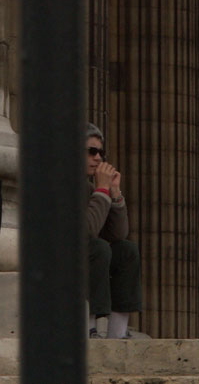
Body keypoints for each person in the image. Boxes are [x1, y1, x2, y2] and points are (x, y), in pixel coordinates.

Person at [85, 123, 142, 339]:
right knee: (97, 247)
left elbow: (118, 234)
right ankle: (89, 327)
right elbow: (87, 231)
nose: (98, 158)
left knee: (126, 250)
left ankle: (117, 333)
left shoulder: (91, 188)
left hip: (83, 256)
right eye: (92, 151)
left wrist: (115, 194)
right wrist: (101, 190)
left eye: (101, 152)